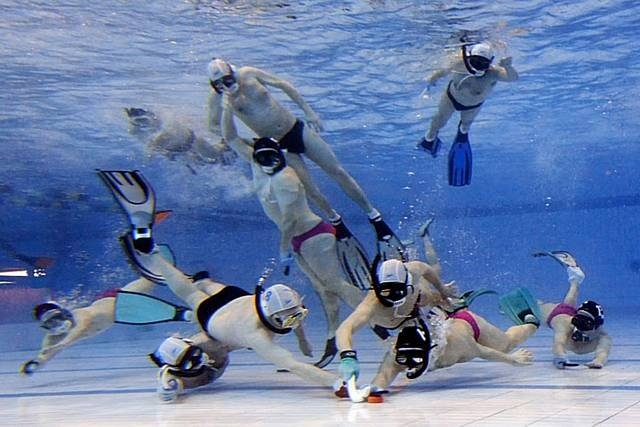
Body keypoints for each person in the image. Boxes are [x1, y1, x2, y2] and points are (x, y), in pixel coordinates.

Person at [100, 168, 345, 401]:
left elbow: (293, 313)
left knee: (191, 289)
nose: (294, 323)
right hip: (214, 316)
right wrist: (336, 382)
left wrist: (303, 339)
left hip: (235, 300)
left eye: (296, 317)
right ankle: (174, 358)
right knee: (211, 357)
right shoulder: (257, 335)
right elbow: (294, 365)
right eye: (291, 321)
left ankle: (159, 256)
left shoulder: (283, 308)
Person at [221, 102, 388, 368]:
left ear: (281, 155)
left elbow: (289, 219)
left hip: (312, 235)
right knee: (324, 290)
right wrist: (226, 106)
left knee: (336, 285)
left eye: (273, 158)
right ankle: (333, 337)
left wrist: (284, 249)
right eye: (263, 158)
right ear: (256, 155)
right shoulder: (255, 161)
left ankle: (380, 323)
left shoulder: (287, 177)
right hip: (300, 241)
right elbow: (229, 137)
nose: (268, 164)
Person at [207, 58, 404, 259]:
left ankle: (373, 215)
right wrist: (239, 131)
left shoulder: (249, 73)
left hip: (296, 128)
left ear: (233, 73)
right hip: (279, 145)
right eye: (220, 85)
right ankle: (335, 220)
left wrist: (310, 112)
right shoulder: (219, 100)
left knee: (338, 171)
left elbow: (284, 85)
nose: (227, 87)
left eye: (229, 81)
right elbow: (213, 127)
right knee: (312, 191)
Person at [335, 219, 537, 400]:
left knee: (506, 344)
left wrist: (443, 290)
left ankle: (530, 322)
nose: (409, 367)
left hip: (461, 321)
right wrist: (348, 358)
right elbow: (346, 330)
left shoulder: (413, 271)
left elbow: (482, 350)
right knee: (427, 301)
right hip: (433, 317)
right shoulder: (386, 332)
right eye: (410, 363)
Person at [19, 277, 187, 375]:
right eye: (51, 324)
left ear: (64, 313)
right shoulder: (53, 337)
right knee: (152, 286)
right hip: (116, 308)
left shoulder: (80, 315)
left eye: (57, 319)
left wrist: (63, 344)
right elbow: (45, 354)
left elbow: (81, 328)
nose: (58, 325)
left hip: (120, 300)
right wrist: (35, 363)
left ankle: (176, 273)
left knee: (153, 279)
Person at [417, 41, 518, 186]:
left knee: (466, 125)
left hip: (473, 106)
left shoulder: (494, 73)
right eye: (474, 62)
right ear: (467, 57)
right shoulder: (458, 64)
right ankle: (430, 138)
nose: (477, 67)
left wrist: (507, 67)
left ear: (490, 63)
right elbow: (438, 73)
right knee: (439, 121)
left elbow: (513, 78)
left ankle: (462, 132)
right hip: (450, 99)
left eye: (482, 64)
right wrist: (428, 88)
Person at [534, 251, 612, 369]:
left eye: (585, 324)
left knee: (568, 304)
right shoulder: (566, 325)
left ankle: (575, 280)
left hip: (567, 311)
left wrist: (598, 361)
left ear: (597, 326)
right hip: (557, 314)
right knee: (536, 308)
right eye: (578, 321)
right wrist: (560, 357)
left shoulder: (603, 337)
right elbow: (558, 343)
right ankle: (575, 281)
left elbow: (602, 353)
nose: (579, 327)